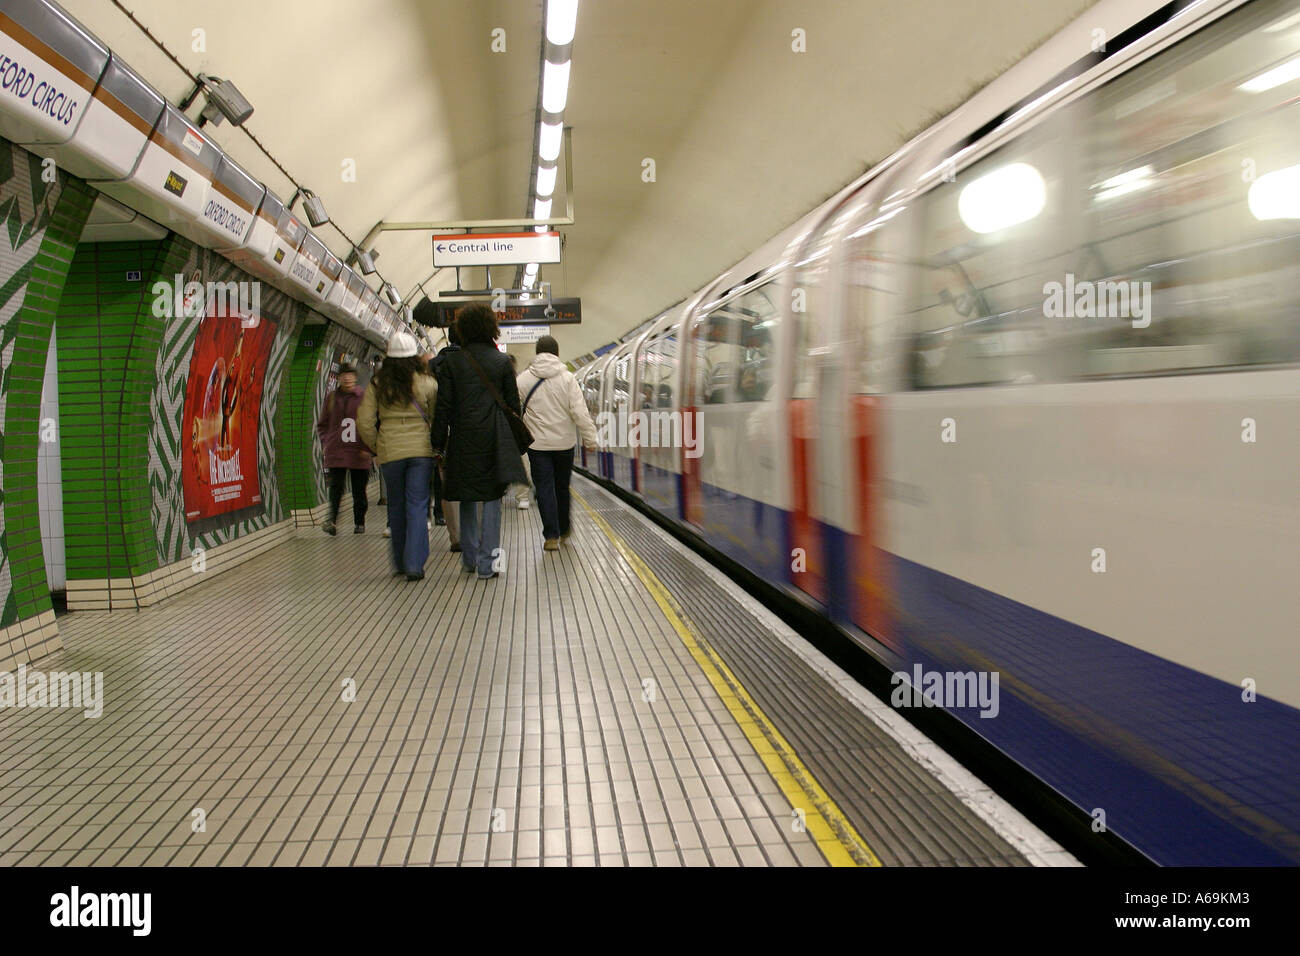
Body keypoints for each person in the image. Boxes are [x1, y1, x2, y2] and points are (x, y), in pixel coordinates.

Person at [431, 305, 527, 579]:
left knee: (467, 497)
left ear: (463, 329)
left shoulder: (453, 362)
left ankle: (469, 559)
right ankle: (488, 565)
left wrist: (437, 443)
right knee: (492, 498)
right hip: (494, 439)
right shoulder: (501, 363)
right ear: (491, 327)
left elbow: (444, 408)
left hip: (462, 438)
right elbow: (513, 407)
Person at [358, 332, 438, 581]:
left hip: (390, 451)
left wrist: (376, 446)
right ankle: (415, 564)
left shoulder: (377, 385)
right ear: (415, 356)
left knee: (396, 505)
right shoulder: (427, 383)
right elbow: (436, 419)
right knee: (417, 505)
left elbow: (364, 421)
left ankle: (401, 563)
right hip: (421, 452)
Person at [516, 335, 600, 551]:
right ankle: (564, 529)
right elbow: (579, 412)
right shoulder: (568, 379)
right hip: (564, 444)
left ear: (537, 353)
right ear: (557, 353)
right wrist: (590, 439)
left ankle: (551, 536)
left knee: (544, 488)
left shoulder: (523, 380)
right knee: (562, 487)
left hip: (537, 446)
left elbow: (515, 413)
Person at [316, 363, 373, 535]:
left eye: (350, 375)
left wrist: (368, 447)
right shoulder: (332, 398)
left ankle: (359, 522)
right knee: (336, 488)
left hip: (359, 451)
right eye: (343, 375)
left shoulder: (364, 397)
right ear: (339, 378)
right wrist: (327, 442)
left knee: (359, 490)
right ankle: (332, 520)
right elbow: (322, 424)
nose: (347, 378)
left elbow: (371, 422)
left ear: (355, 377)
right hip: (337, 451)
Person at [429, 327, 463, 551]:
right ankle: (472, 534)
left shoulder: (432, 365)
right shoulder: (471, 363)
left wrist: (437, 442)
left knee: (446, 483)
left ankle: (456, 536)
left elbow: (435, 405)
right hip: (468, 431)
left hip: (442, 431)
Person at [506, 353, 532, 511]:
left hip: (503, 429)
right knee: (524, 464)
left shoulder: (518, 382)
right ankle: (522, 497)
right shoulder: (519, 382)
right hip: (518, 429)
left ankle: (519, 495)